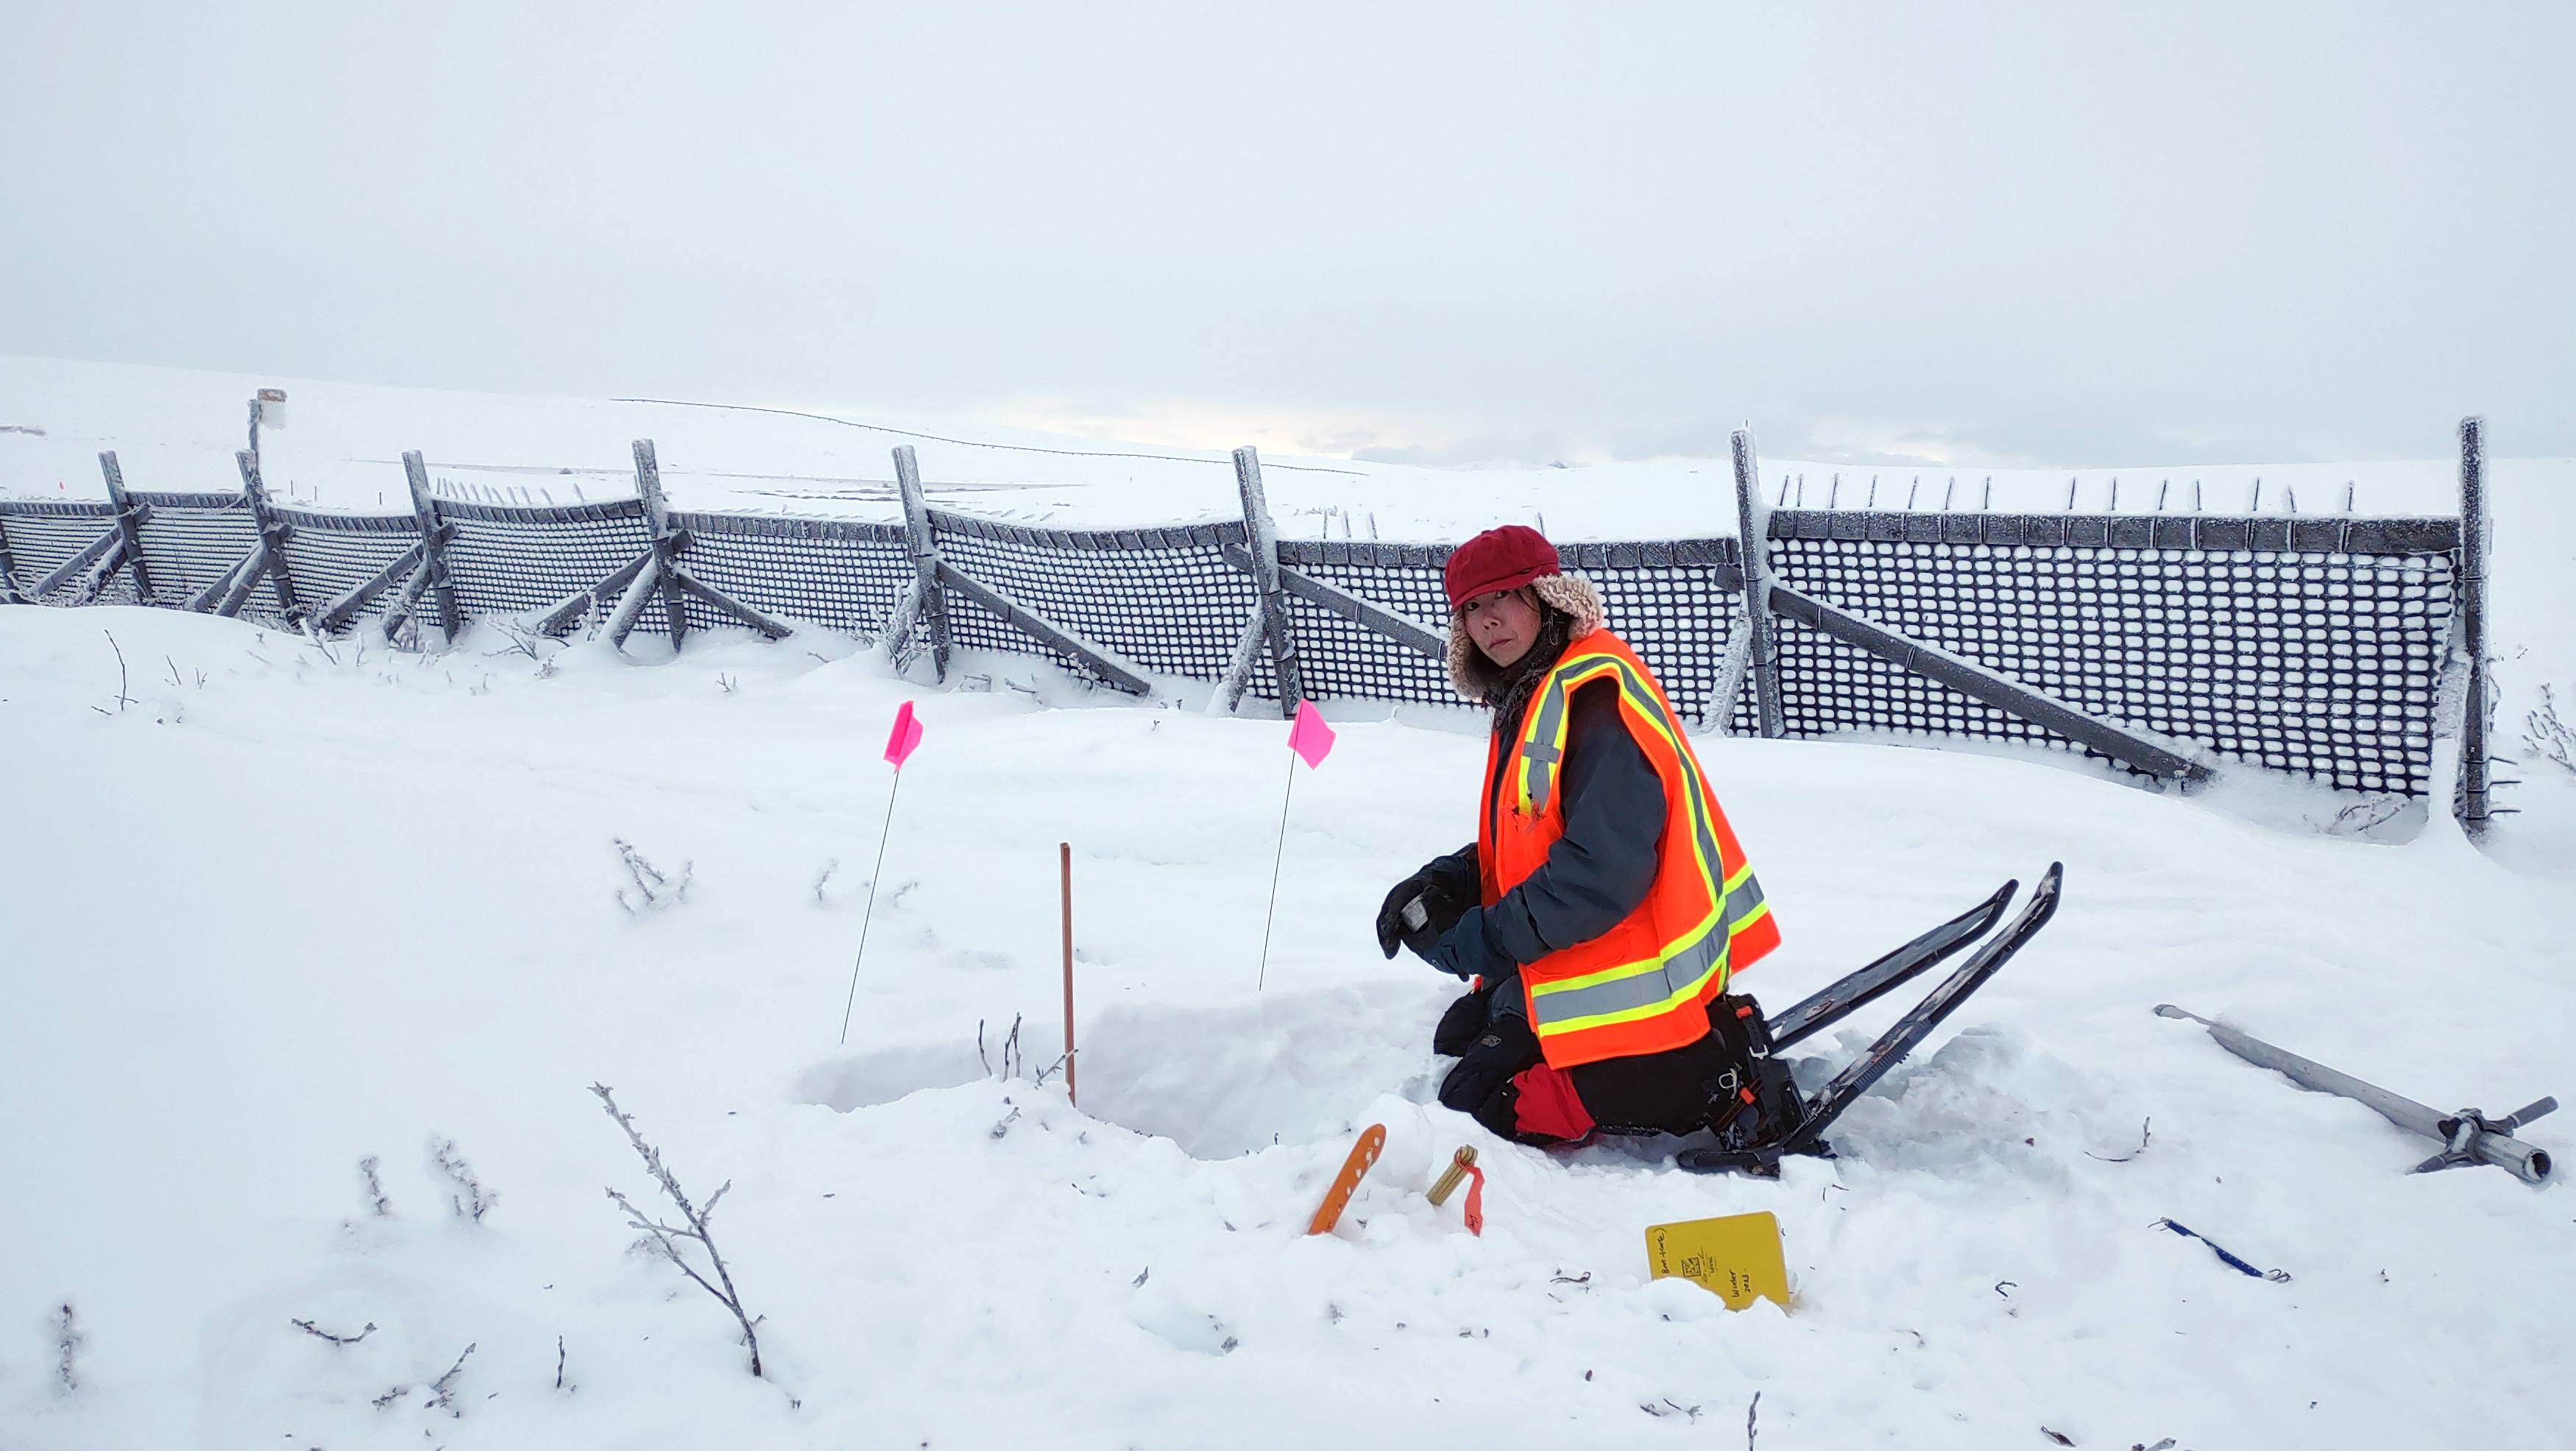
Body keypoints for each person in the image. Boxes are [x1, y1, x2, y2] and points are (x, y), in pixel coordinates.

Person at [1376, 524, 1783, 1147]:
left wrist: (1483, 941)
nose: (1490, 620)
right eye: (1473, 607)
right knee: (1460, 1036)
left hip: (1640, 987)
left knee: (1476, 1101)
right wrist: (1450, 880)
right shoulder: (1536, 689)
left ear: (1547, 597)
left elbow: (1600, 871)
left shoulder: (1593, 696)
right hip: (1596, 954)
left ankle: (1703, 1067)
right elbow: (1532, 826)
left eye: (1505, 597)